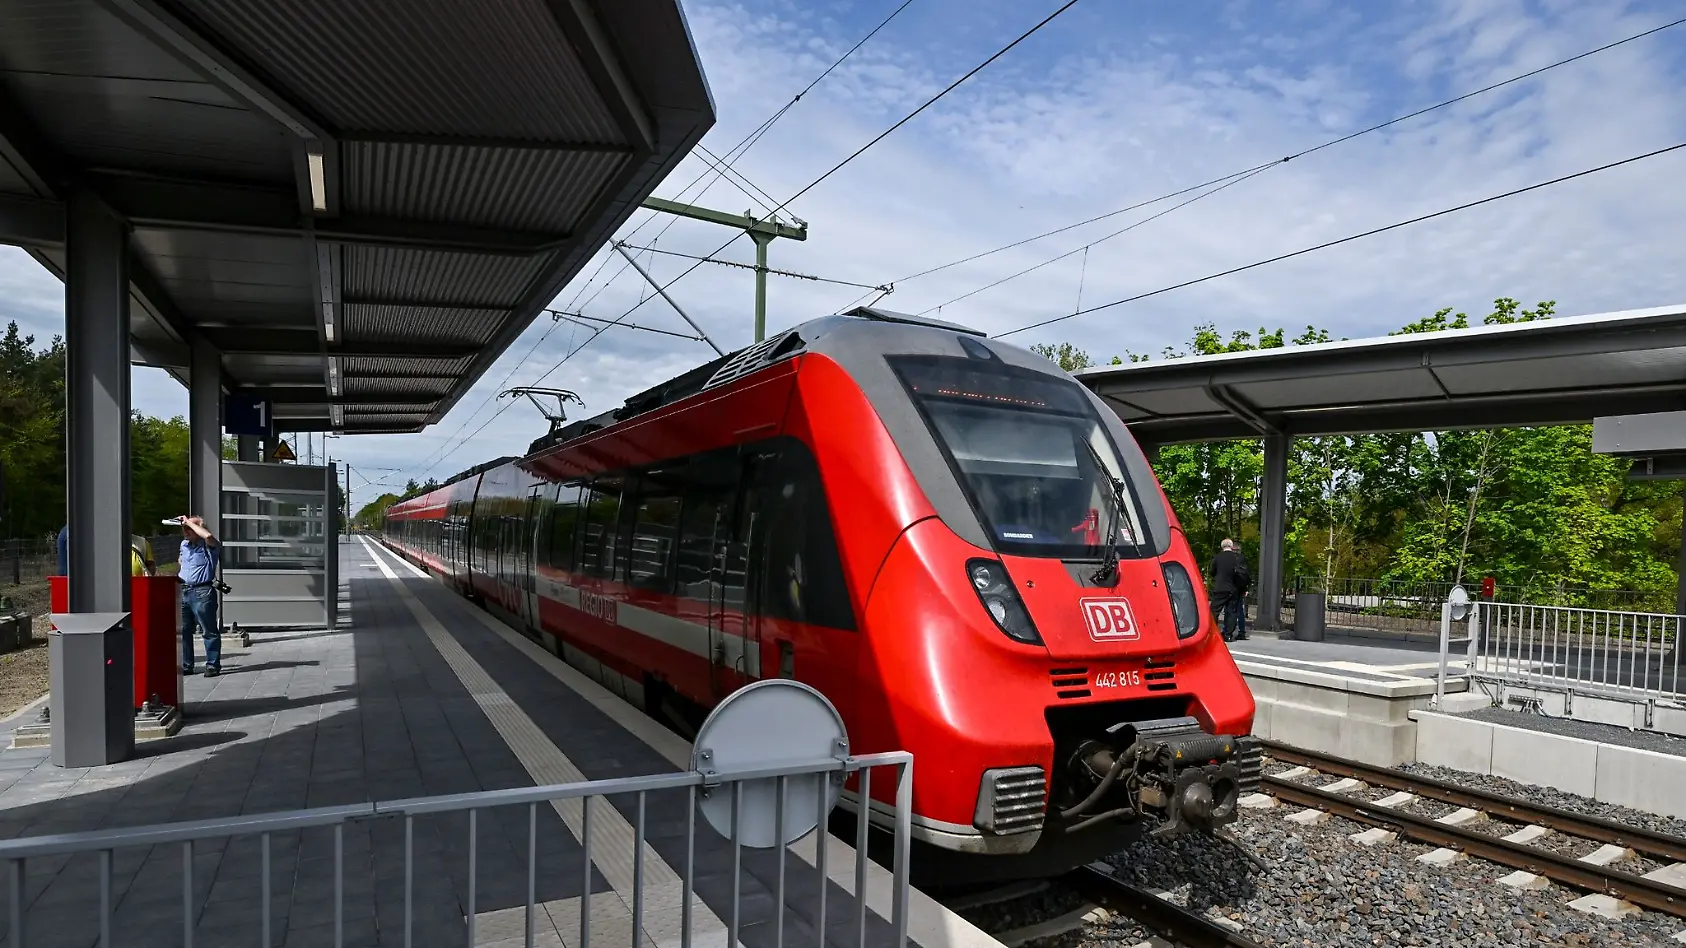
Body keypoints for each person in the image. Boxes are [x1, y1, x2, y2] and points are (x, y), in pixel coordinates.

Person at [174, 515, 222, 676]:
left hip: (202, 591)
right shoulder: (184, 545)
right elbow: (181, 560)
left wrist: (188, 521)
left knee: (208, 630)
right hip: (184, 590)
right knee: (184, 630)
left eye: (189, 528)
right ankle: (187, 665)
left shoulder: (210, 545)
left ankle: (212, 665)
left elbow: (208, 536)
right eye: (184, 528)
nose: (186, 531)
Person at [1208, 538, 1251, 642]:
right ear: (1232, 547)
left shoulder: (1217, 557)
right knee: (1232, 612)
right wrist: (1244, 588)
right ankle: (1228, 634)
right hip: (1234, 589)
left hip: (1220, 587)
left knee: (1214, 611)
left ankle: (1212, 632)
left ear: (1222, 547)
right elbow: (1243, 574)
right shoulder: (1237, 558)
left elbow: (1211, 572)